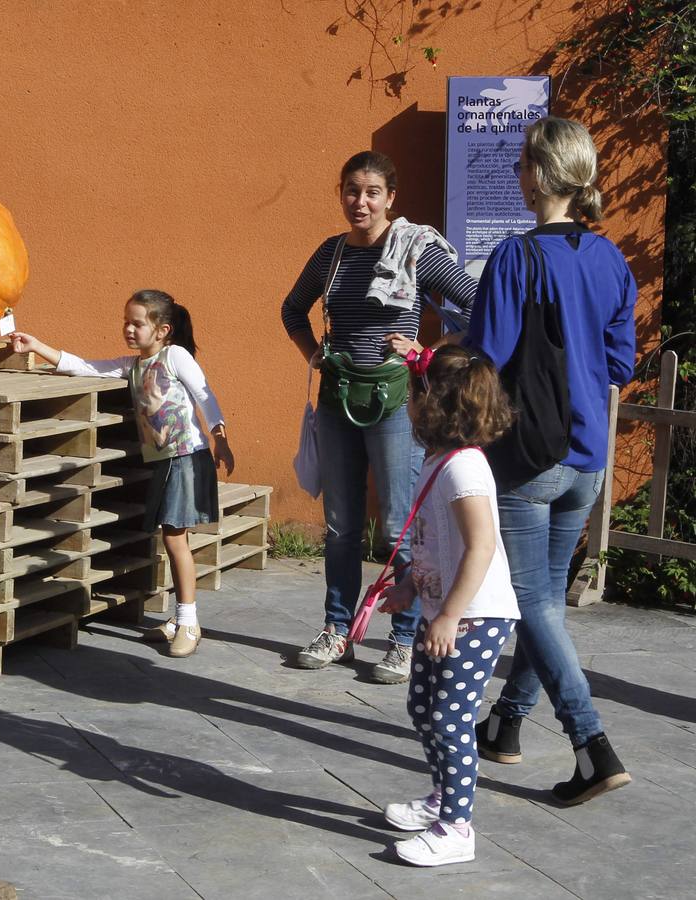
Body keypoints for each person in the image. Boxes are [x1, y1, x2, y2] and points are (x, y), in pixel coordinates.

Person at [468, 116, 636, 805]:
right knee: (545, 606)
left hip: (526, 460)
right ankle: (506, 727)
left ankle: (592, 744)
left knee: (532, 601)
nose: (515, 173)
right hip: (588, 456)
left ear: (541, 175)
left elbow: (486, 358)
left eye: (520, 163)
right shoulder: (610, 259)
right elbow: (620, 362)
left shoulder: (513, 257)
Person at [281, 151, 478, 683]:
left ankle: (404, 637)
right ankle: (337, 629)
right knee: (340, 526)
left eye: (371, 192)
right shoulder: (332, 254)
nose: (359, 202)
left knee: (398, 527)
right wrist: (314, 355)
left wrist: (430, 352)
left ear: (391, 197)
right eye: (351, 191)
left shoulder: (414, 250)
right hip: (338, 397)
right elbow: (292, 309)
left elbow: (481, 301)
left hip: (396, 404)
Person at [10, 290, 234, 658]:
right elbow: (84, 366)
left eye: (137, 323)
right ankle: (180, 619)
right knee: (173, 538)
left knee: (176, 539)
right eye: (125, 322)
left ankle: (189, 622)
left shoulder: (175, 355)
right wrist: (36, 346)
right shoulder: (132, 365)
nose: (129, 329)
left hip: (186, 457)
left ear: (162, 330)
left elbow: (205, 395)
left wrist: (221, 438)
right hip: (164, 461)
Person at [378, 345, 519, 867]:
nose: (408, 403)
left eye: (413, 392)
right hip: (445, 611)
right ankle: (441, 799)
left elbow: (480, 546)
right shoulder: (440, 462)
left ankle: (457, 827)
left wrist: (451, 614)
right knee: (423, 710)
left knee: (450, 719)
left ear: (433, 401)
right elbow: (435, 541)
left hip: (474, 615)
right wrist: (412, 588)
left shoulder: (465, 471)